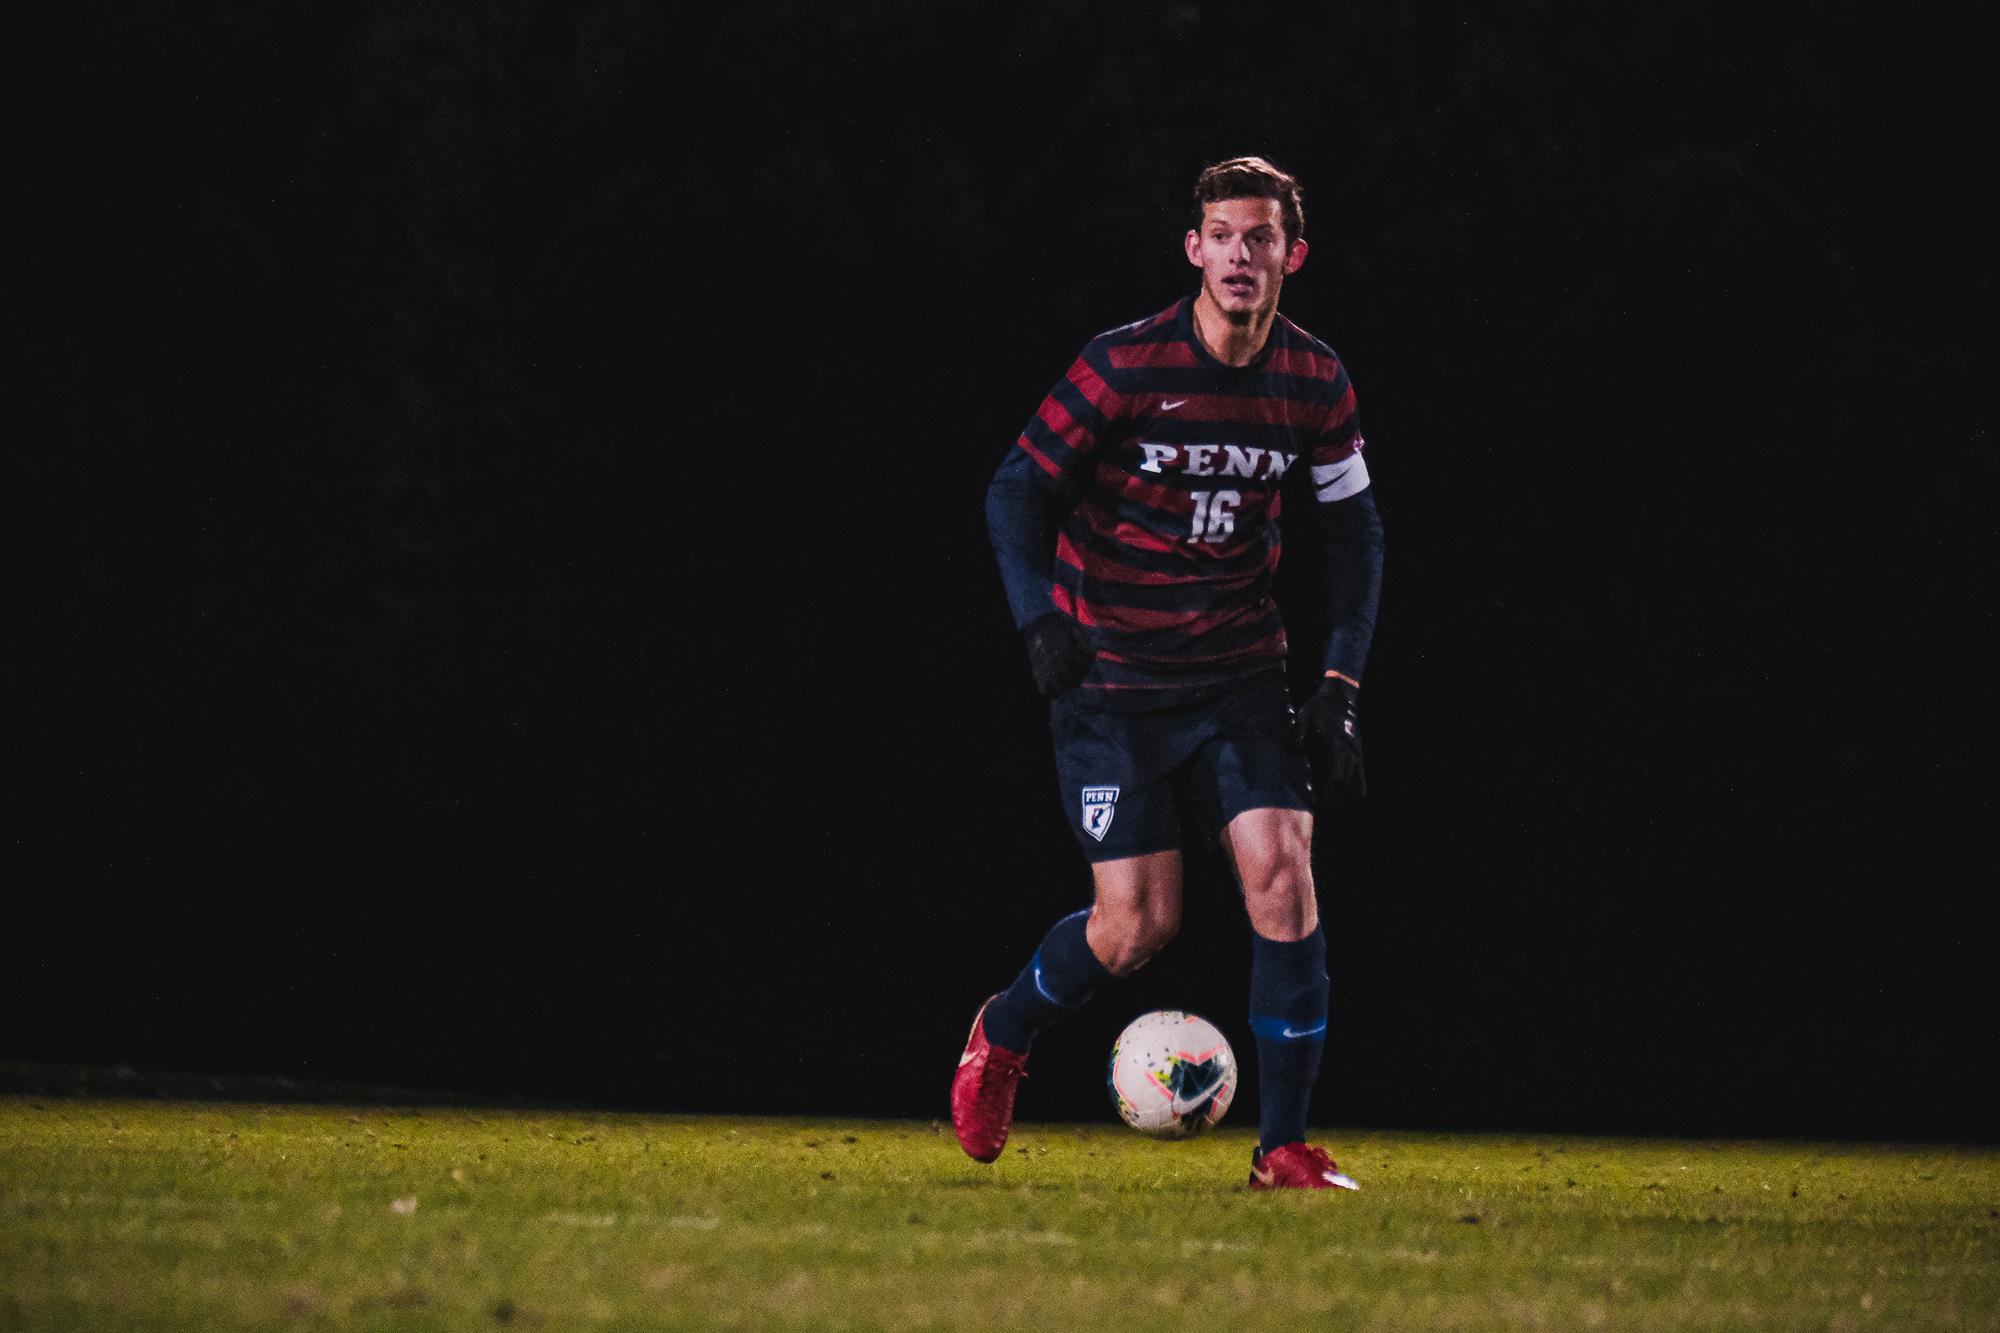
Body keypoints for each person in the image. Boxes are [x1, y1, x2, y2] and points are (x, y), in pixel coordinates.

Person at [953, 156, 1385, 1190]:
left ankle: (1279, 1148)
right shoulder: (1125, 365)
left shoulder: (1313, 380)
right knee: (1135, 926)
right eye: (1223, 236)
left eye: (1261, 237)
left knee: (1283, 875)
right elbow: (1013, 490)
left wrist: (1338, 689)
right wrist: (1037, 623)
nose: (1241, 254)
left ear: (1292, 255)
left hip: (1237, 676)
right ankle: (1002, 1032)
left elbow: (1355, 535)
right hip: (1112, 685)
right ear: (1193, 250)